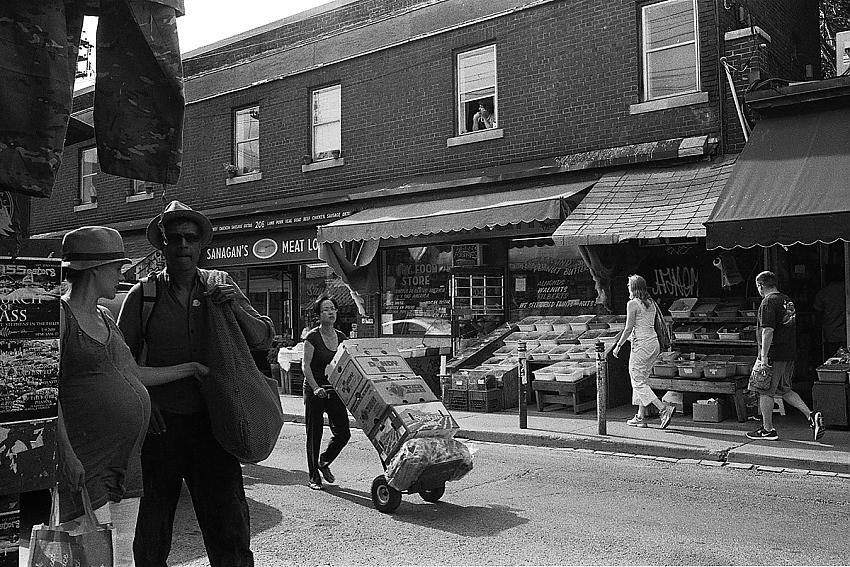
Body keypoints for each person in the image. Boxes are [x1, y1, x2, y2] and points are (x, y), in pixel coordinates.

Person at [117, 202, 274, 567]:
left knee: (229, 534)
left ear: (201, 244)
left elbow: (263, 337)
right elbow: (119, 365)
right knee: (152, 535)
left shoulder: (220, 285)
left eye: (190, 237)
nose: (183, 245)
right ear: (163, 245)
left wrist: (236, 306)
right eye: (175, 238)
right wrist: (147, 402)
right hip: (161, 429)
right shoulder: (143, 295)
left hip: (216, 425)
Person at [58, 226, 208, 567]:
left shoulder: (105, 315)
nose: (121, 275)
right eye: (116, 268)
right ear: (94, 270)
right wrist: (66, 454)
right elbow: (46, 394)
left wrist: (190, 368)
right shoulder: (61, 318)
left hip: (126, 461)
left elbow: (134, 374)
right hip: (88, 461)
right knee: (92, 559)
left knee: (123, 557)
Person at [747, 271, 824, 441]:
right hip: (788, 353)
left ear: (760, 286)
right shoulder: (786, 300)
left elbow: (768, 330)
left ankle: (768, 430)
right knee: (785, 390)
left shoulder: (768, 302)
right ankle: (811, 415)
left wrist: (763, 357)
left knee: (764, 391)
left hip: (773, 354)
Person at [613, 274, 676, 429]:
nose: (627, 287)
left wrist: (619, 345)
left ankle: (663, 409)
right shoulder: (651, 302)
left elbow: (628, 328)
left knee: (637, 380)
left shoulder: (632, 304)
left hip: (641, 345)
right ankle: (640, 417)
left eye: (629, 285)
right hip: (653, 344)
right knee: (642, 380)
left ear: (634, 288)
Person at [302, 295, 351, 490]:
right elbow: (305, 366)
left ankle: (324, 460)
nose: (330, 312)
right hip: (315, 389)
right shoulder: (312, 337)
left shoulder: (342, 337)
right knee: (315, 433)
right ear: (319, 315)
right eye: (325, 310)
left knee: (343, 433)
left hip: (334, 389)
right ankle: (314, 476)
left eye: (332, 309)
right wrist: (315, 387)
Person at [814, 264, 846, 358]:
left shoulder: (823, 293)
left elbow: (818, 312)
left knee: (832, 360)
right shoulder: (846, 289)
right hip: (845, 332)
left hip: (830, 332)